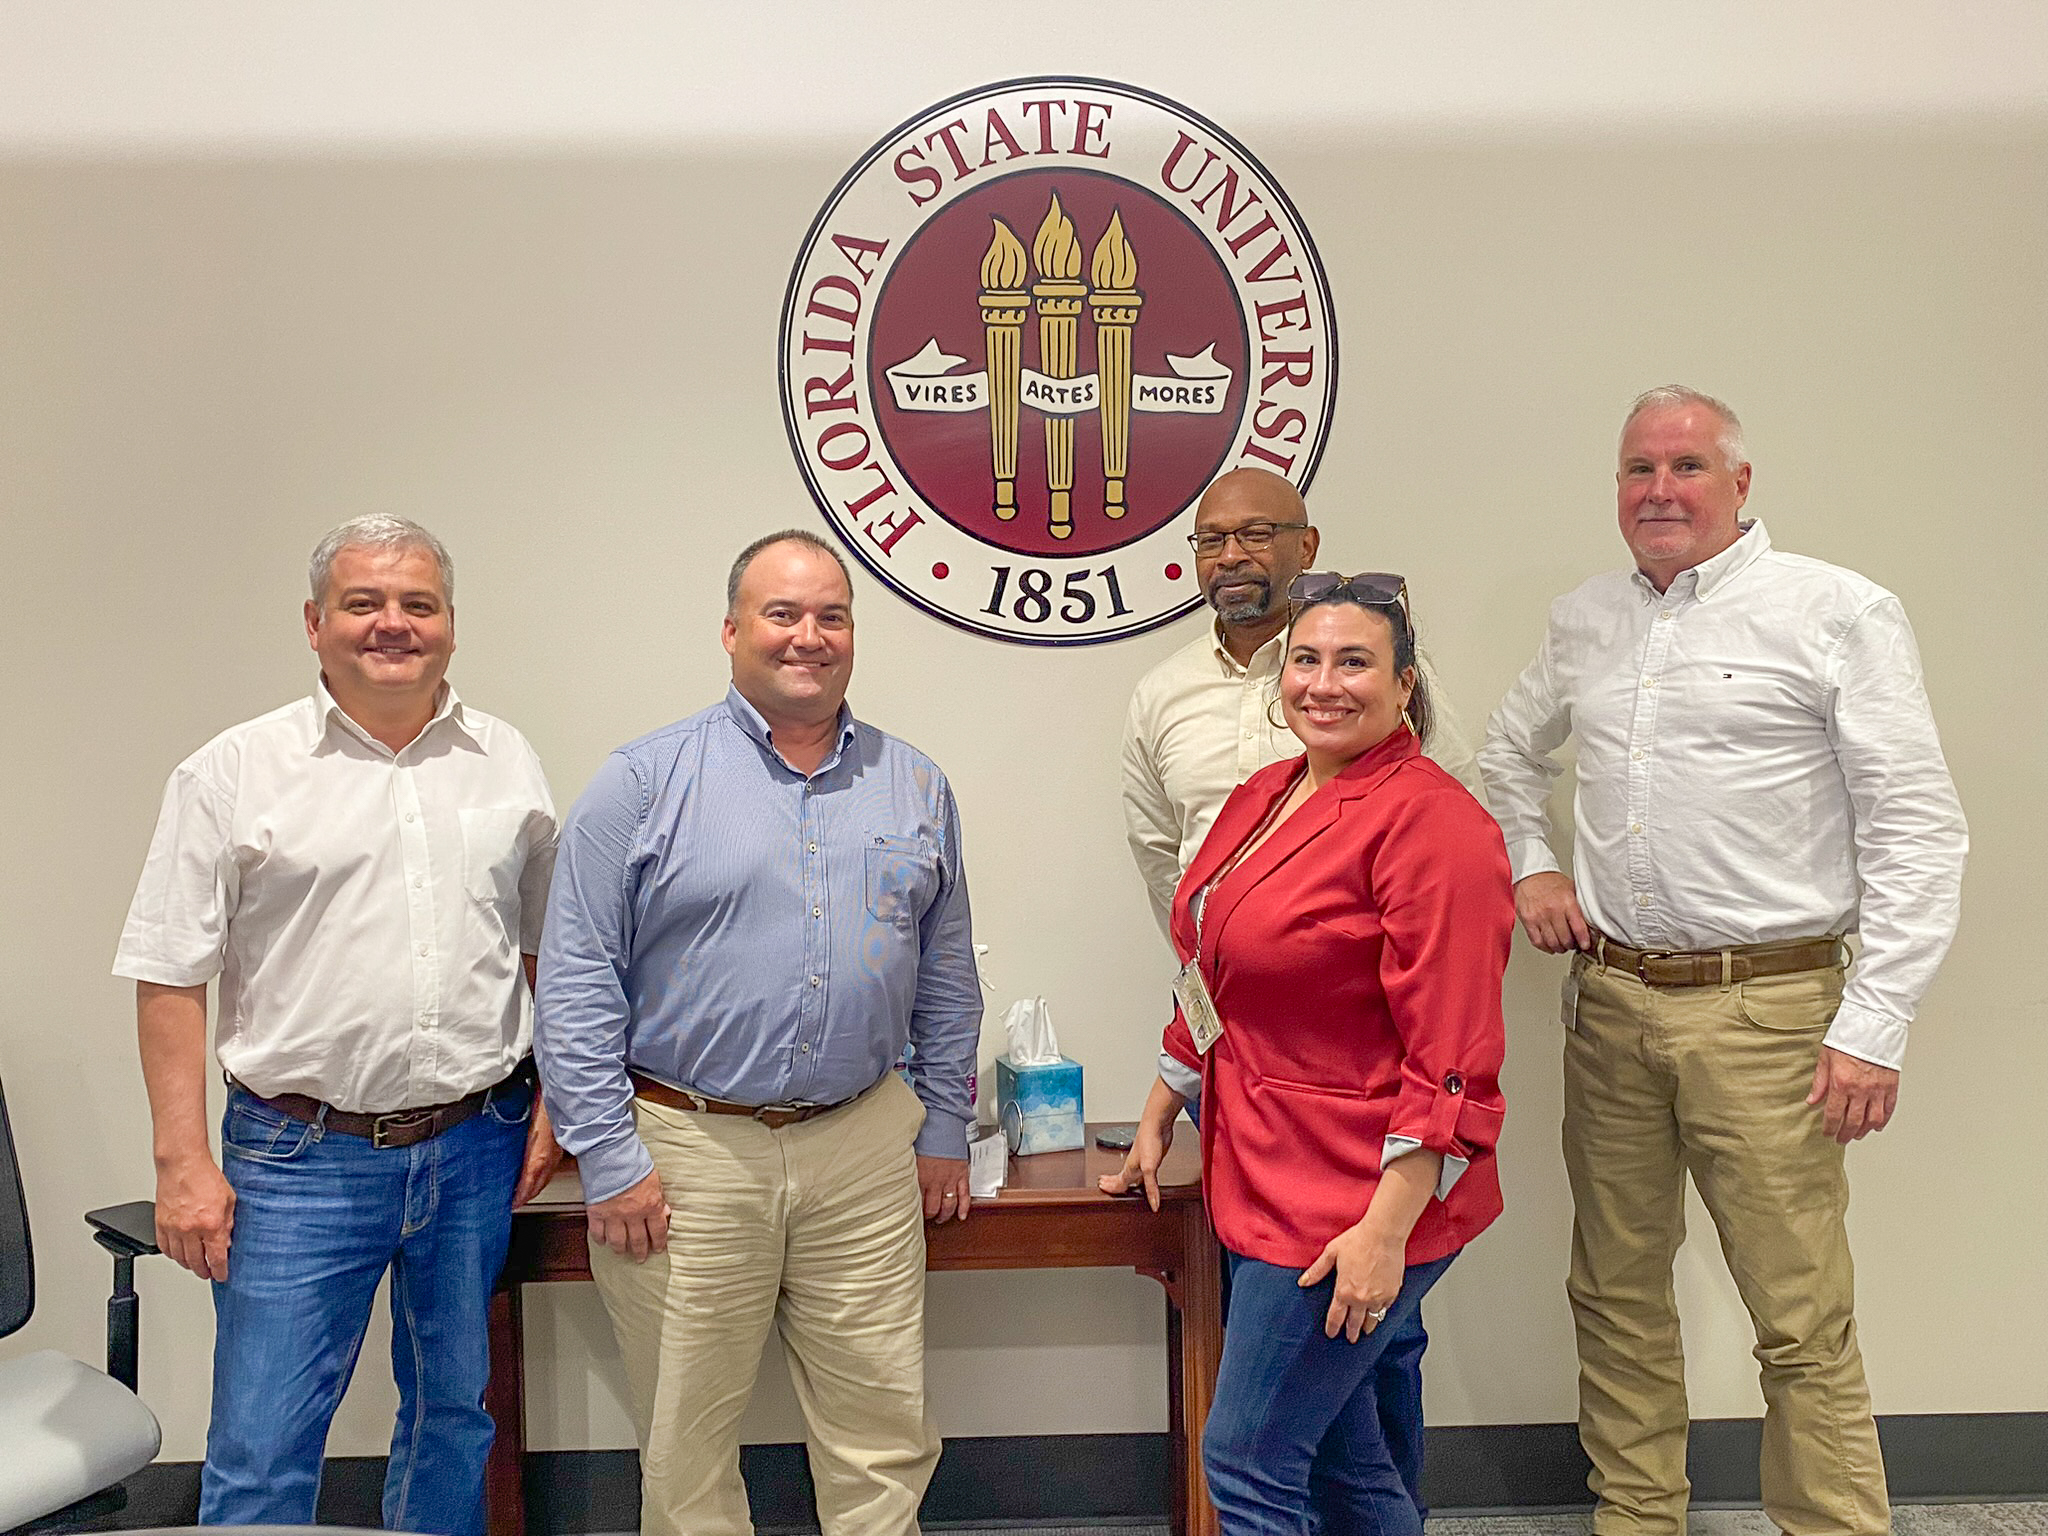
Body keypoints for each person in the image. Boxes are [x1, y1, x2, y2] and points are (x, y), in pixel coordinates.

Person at [1479, 386, 1967, 1535]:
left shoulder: (1834, 612)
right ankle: (1635, 1519)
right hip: (1607, 1005)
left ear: (1739, 484)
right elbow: (1504, 756)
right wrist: (1529, 865)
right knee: (1612, 1294)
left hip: (1773, 1015)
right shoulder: (1582, 620)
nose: (1658, 490)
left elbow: (1913, 825)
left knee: (1797, 1314)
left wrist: (1873, 1023)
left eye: (1686, 466)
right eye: (1636, 470)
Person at [113, 515, 561, 1532]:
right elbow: (169, 978)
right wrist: (182, 1163)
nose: (391, 624)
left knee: (454, 1416)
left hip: (476, 1144)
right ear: (314, 624)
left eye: (418, 603)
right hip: (294, 1157)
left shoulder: (506, 762)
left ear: (451, 624)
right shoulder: (232, 771)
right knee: (265, 1445)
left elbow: (544, 952)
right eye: (364, 603)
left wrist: (557, 1098)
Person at [534, 529, 981, 1536]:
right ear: (732, 630)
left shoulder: (915, 785)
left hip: (863, 1145)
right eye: (782, 614)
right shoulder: (640, 783)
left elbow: (944, 976)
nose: (807, 637)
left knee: (883, 1433)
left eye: (830, 616)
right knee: (684, 1447)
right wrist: (606, 1154)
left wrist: (944, 1125)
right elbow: (573, 982)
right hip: (685, 1152)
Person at [1104, 572, 1513, 1536]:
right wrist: (1167, 1100)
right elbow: (1219, 961)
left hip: (1356, 1192)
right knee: (1341, 1459)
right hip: (1262, 1159)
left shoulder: (1437, 826)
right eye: (1307, 660)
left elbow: (1454, 1056)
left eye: (1356, 662)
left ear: (1406, 683)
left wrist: (1386, 1233)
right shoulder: (1270, 791)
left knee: (1246, 1461)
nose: (1325, 684)